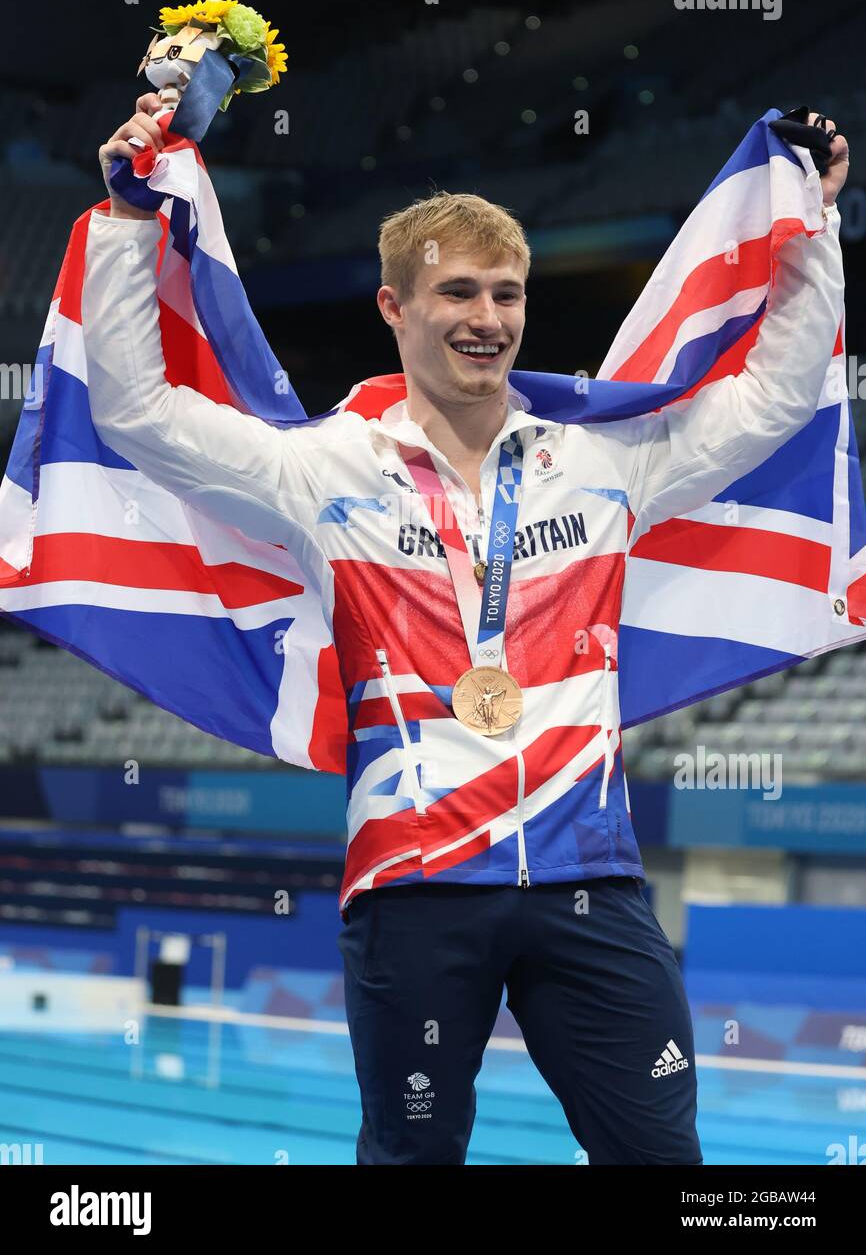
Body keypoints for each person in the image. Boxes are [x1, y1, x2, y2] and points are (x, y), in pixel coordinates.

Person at [85, 93, 848, 1165]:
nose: (485, 315)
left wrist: (807, 224)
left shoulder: (604, 460)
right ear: (394, 308)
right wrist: (124, 226)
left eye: (504, 292)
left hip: (590, 878)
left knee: (662, 1159)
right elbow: (139, 413)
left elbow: (771, 398)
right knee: (411, 1156)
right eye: (456, 292)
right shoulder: (322, 470)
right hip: (416, 889)